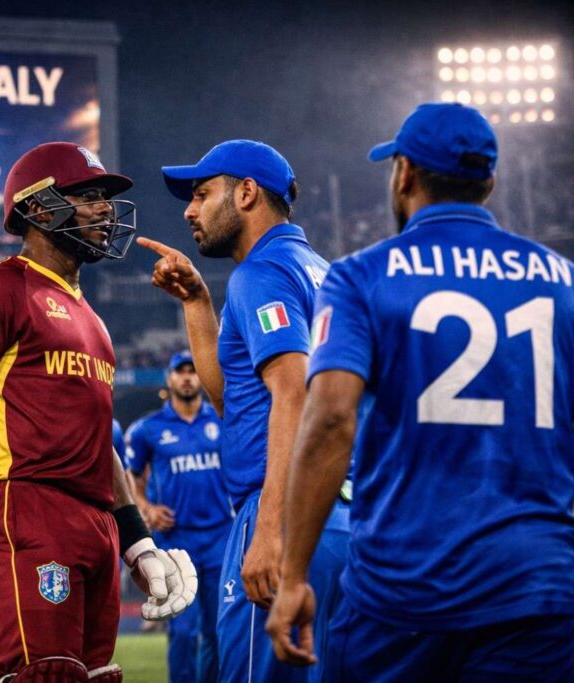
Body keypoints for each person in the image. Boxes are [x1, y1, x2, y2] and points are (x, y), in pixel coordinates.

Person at [267, 102, 574, 681]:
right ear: (489, 182)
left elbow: (330, 421)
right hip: (537, 588)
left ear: (404, 173)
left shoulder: (360, 276)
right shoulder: (562, 279)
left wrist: (295, 576)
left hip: (403, 588)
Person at [0, 141, 198, 683]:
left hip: (95, 525)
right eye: (88, 195)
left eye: (104, 197)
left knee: (95, 676)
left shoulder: (93, 321)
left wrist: (137, 542)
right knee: (43, 674)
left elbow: (98, 442)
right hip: (23, 510)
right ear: (37, 207)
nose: (104, 208)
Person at [140, 140, 349, 682]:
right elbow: (235, 401)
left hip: (286, 510)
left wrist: (272, 528)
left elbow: (293, 393)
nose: (190, 211)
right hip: (344, 515)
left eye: (202, 194)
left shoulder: (261, 273)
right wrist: (197, 303)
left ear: (247, 193)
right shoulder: (322, 272)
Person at [126, 351, 230, 683]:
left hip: (220, 538)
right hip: (175, 541)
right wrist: (147, 508)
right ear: (169, 378)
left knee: (217, 631)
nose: (187, 377)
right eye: (180, 371)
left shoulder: (221, 419)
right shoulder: (148, 429)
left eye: (192, 371)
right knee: (183, 631)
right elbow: (130, 476)